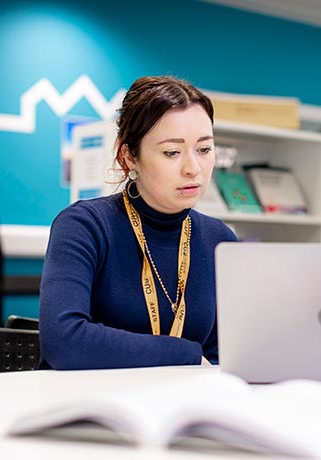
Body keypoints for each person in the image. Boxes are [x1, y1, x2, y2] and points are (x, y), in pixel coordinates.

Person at [39, 76, 238, 369]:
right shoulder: (84, 226)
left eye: (204, 149)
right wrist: (186, 356)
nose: (193, 168)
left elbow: (228, 356)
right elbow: (64, 341)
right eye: (172, 152)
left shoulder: (219, 239)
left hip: (180, 406)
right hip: (88, 405)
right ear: (129, 155)